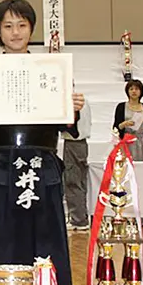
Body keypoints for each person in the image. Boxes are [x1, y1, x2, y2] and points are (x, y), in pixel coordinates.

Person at [0, 0, 85, 285]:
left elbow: (68, 125)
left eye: (21, 25)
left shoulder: (52, 70)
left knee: (45, 242)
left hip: (41, 165)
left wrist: (73, 106)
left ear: (32, 29)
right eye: (7, 26)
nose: (15, 33)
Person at [62, 87, 91, 231]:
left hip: (74, 142)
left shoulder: (72, 102)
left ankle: (78, 219)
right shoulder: (83, 100)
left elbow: (71, 128)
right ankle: (81, 217)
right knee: (80, 181)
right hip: (82, 144)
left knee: (72, 181)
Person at [113, 79, 143, 162]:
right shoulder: (121, 106)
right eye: (131, 89)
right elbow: (115, 128)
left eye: (137, 89)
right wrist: (124, 124)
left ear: (141, 91)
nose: (134, 91)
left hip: (140, 142)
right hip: (125, 141)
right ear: (127, 91)